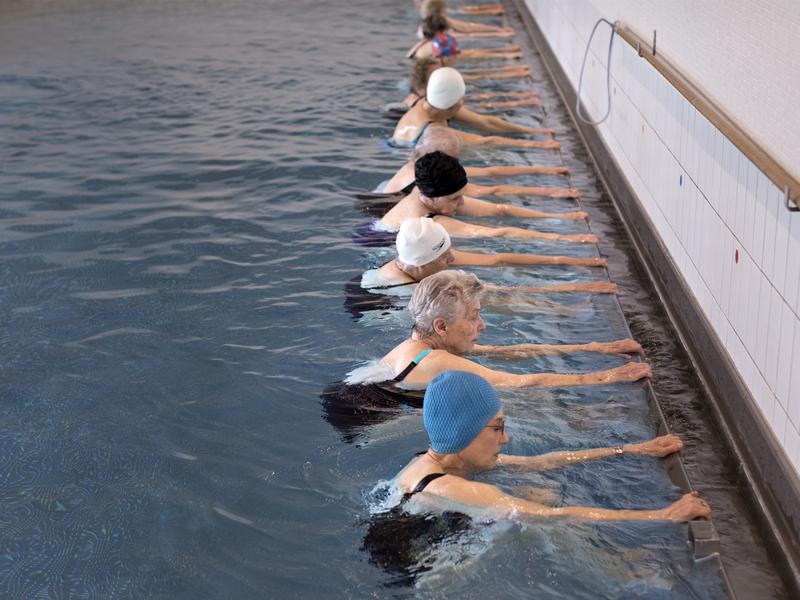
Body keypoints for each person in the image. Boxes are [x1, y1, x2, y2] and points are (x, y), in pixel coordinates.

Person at [392, 371, 711, 521]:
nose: (506, 438)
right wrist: (663, 515)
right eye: (497, 427)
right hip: (416, 572)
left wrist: (630, 450)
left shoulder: (451, 457)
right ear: (466, 432)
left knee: (541, 490)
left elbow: (544, 461)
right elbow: (549, 516)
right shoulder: (447, 486)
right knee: (543, 508)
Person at [345, 270, 650, 389]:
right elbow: (521, 383)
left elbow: (505, 352)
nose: (483, 325)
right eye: (474, 316)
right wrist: (608, 377)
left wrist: (596, 348)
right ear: (441, 326)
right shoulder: (435, 361)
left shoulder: (419, 344)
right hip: (360, 423)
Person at [345, 219, 620, 321]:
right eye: (445, 256)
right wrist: (567, 305)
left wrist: (566, 259)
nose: (453, 258)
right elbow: (498, 297)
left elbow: (497, 259)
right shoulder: (415, 291)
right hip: (374, 311)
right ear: (423, 264)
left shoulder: (412, 258)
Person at [361, 151, 595, 247]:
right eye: (455, 199)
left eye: (462, 195)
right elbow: (497, 233)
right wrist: (565, 239)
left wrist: (562, 215)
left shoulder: (421, 174)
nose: (462, 203)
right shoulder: (428, 223)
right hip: (378, 241)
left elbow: (499, 208)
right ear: (431, 199)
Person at [381, 126, 573, 198]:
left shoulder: (420, 166)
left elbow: (491, 172)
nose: (458, 163)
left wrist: (544, 170)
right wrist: (551, 192)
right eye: (454, 158)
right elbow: (492, 190)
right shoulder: (430, 179)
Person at [390, 67, 558, 148]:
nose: (464, 101)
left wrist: (532, 132)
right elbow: (487, 142)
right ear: (452, 106)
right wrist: (538, 145)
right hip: (405, 154)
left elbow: (485, 122)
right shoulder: (434, 133)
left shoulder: (431, 103)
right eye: (461, 99)